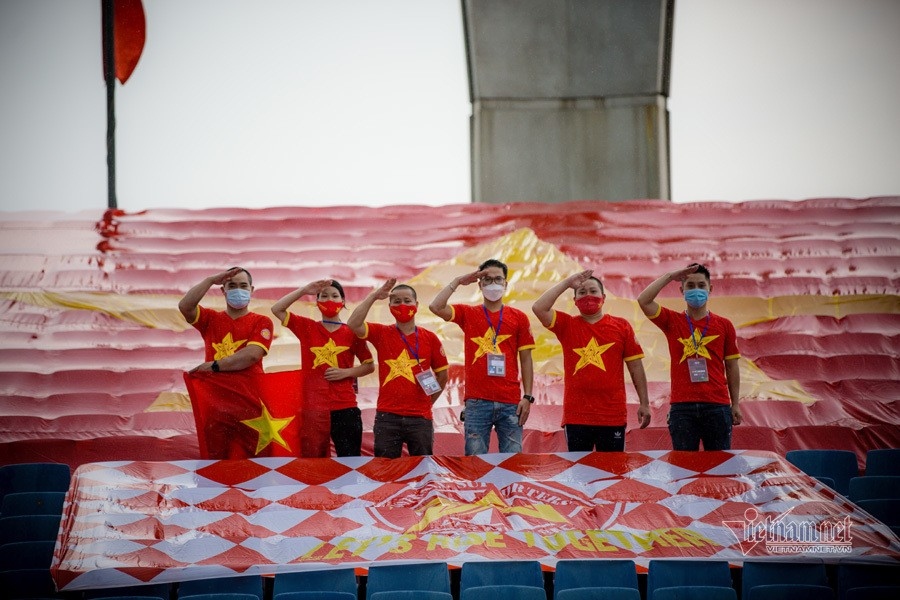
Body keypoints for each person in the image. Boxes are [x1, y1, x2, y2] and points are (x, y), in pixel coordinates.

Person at [532, 269, 651, 451]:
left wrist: (644, 403)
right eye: (582, 292)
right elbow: (539, 308)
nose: (588, 296)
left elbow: (636, 366)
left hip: (612, 414)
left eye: (593, 291)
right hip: (577, 417)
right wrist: (567, 283)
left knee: (612, 473)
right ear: (575, 301)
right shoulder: (567, 325)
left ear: (603, 297)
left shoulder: (621, 326)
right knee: (579, 475)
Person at [429, 259, 535, 455]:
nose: (493, 284)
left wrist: (527, 396)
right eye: (487, 279)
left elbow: (526, 358)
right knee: (474, 464)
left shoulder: (519, 317)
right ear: (479, 284)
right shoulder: (468, 313)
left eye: (498, 279)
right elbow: (435, 307)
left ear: (505, 284)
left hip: (510, 402)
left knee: (512, 463)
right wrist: (458, 281)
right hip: (477, 402)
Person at [637, 263, 742, 451]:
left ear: (710, 289)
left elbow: (732, 366)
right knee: (683, 469)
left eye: (701, 285)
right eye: (690, 286)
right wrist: (670, 275)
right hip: (682, 408)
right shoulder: (672, 321)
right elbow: (644, 300)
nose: (696, 290)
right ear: (681, 290)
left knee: (719, 467)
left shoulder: (725, 325)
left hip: (717, 406)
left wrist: (735, 404)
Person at [271, 279, 375, 457]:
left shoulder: (352, 331)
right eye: (324, 296)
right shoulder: (307, 327)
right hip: (313, 408)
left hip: (345, 406)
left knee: (349, 462)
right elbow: (277, 309)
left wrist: (347, 372)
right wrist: (304, 289)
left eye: (335, 296)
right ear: (317, 302)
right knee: (314, 463)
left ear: (343, 302)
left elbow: (369, 365)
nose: (329, 300)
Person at [347, 279, 449, 458]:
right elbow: (353, 325)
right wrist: (373, 297)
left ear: (416, 305)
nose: (402, 305)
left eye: (407, 301)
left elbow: (442, 375)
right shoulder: (381, 333)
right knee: (386, 471)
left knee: (423, 469)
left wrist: (428, 402)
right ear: (390, 307)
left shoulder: (430, 338)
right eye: (397, 301)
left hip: (420, 419)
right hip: (388, 418)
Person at [178, 267, 273, 374]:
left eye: (243, 286)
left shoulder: (262, 321)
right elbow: (185, 306)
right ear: (223, 291)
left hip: (248, 389)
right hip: (215, 388)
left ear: (251, 289)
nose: (238, 290)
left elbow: (251, 355)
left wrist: (214, 366)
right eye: (232, 286)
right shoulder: (210, 319)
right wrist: (210, 280)